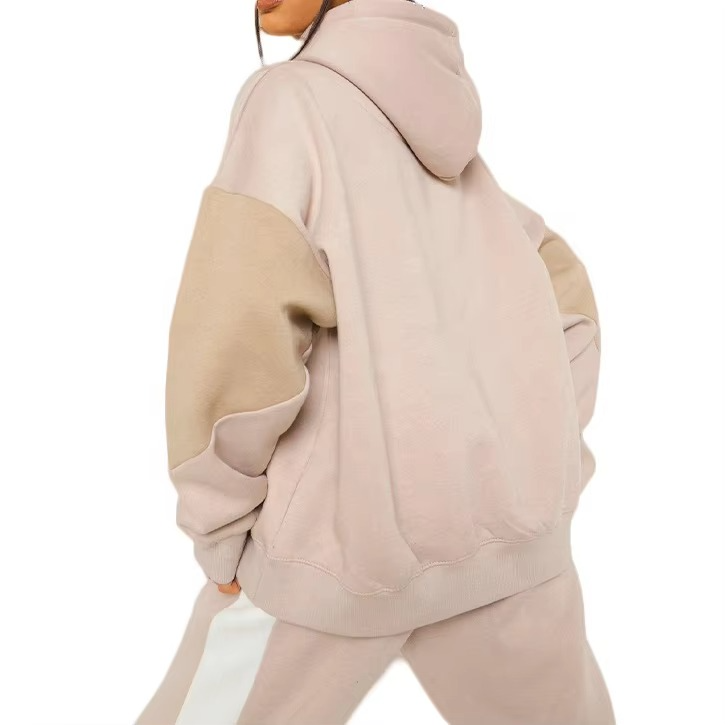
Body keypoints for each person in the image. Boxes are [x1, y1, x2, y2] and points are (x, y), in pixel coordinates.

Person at [134, 0, 615, 723]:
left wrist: (218, 524)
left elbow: (235, 330)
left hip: (334, 558)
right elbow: (562, 288)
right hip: (513, 543)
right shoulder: (447, 130)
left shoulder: (289, 102)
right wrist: (537, 454)